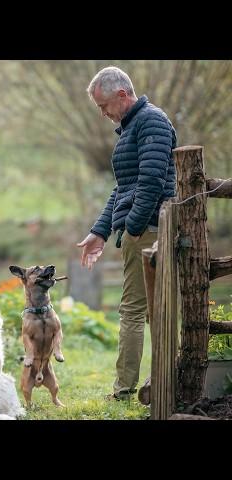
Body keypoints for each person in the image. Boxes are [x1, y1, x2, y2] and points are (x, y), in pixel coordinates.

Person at [76, 67, 177, 400]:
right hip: (143, 228)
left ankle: (124, 390)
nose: (103, 113)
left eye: (104, 106)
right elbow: (123, 189)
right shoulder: (134, 127)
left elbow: (149, 185)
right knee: (150, 310)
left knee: (135, 311)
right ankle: (160, 382)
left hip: (150, 229)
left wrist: (132, 229)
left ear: (122, 94)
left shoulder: (152, 122)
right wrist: (100, 231)